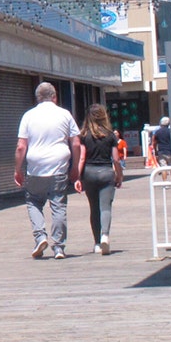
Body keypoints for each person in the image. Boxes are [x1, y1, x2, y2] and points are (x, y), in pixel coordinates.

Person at [14, 82, 80, 260]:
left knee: (33, 202)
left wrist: (17, 170)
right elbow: (75, 143)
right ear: (55, 96)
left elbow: (21, 146)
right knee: (58, 205)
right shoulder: (64, 114)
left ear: (37, 97)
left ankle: (40, 237)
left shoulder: (28, 116)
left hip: (35, 168)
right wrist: (75, 167)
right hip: (59, 166)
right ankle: (58, 247)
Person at [75, 105, 123, 255]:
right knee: (106, 207)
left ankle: (96, 243)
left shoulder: (84, 135)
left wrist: (77, 177)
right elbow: (115, 159)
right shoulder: (110, 135)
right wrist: (119, 175)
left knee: (94, 208)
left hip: (89, 173)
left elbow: (82, 157)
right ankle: (105, 236)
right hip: (106, 173)